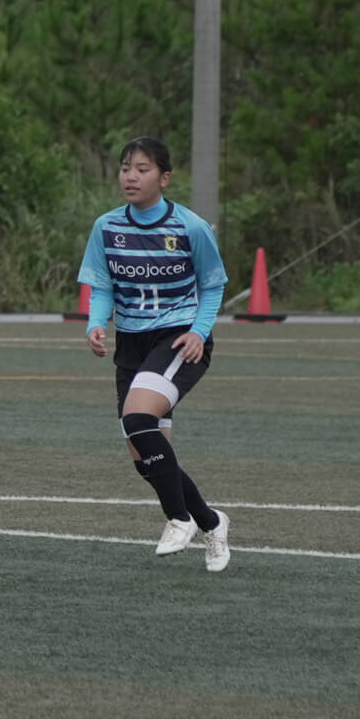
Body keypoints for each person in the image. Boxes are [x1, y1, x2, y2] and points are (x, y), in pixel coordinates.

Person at [79, 136, 233, 572]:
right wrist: (96, 323)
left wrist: (199, 332)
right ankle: (212, 522)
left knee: (137, 420)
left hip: (177, 338)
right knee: (147, 460)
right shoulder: (106, 227)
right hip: (131, 344)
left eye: (142, 169)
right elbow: (103, 286)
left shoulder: (190, 227)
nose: (131, 176)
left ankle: (178, 519)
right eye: (125, 168)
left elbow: (213, 285)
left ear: (164, 178)